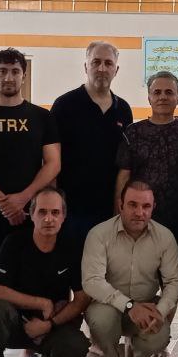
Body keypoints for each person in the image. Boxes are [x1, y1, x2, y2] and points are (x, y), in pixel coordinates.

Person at [0, 48, 60, 328]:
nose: (8, 77)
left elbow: (53, 163)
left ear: (23, 75)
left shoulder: (41, 117)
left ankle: (31, 346)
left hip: (31, 213)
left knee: (34, 278)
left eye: (15, 71)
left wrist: (24, 199)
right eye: (2, 71)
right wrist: (4, 202)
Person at [0, 188, 91, 357]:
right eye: (42, 212)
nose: (49, 219)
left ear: (63, 216)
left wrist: (49, 324)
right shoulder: (14, 243)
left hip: (50, 327)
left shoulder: (71, 247)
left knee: (78, 346)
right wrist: (41, 303)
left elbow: (81, 299)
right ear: (32, 215)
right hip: (15, 325)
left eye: (55, 212)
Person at [82, 180, 178, 357]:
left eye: (146, 206)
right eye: (132, 205)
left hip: (147, 305)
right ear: (121, 205)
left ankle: (133, 356)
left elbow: (174, 281)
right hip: (109, 306)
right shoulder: (99, 234)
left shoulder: (165, 237)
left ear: (153, 207)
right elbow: (92, 281)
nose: (139, 212)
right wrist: (129, 306)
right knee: (101, 319)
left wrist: (160, 311)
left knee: (159, 335)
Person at [51, 41, 134, 246]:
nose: (102, 68)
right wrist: (54, 203)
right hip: (71, 209)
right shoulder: (65, 105)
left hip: (108, 208)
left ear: (116, 70)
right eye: (96, 62)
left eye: (108, 63)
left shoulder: (123, 109)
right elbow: (50, 158)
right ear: (86, 66)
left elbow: (125, 164)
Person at [115, 70, 178, 253]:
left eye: (169, 92)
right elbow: (123, 176)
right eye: (157, 92)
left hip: (175, 218)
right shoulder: (133, 132)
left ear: (177, 98)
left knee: (173, 268)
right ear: (149, 98)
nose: (163, 97)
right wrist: (118, 214)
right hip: (138, 216)